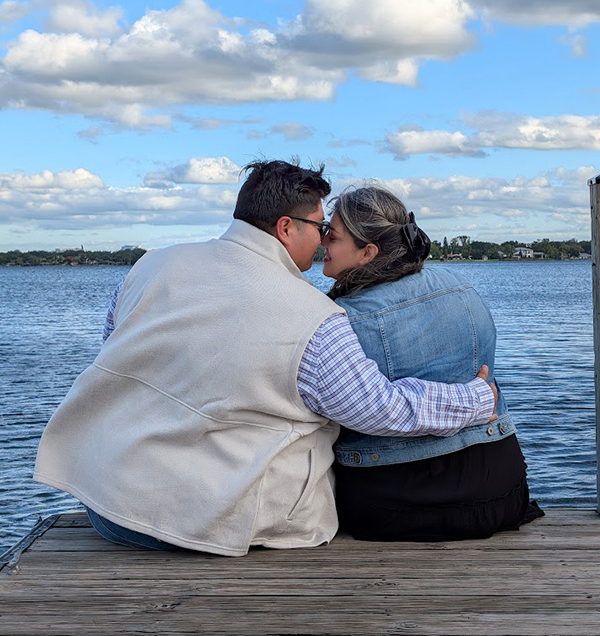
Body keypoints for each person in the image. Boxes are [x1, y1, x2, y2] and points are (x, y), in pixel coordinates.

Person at [34, 161, 496, 557]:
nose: (321, 243)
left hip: (108, 507)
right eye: (320, 228)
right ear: (285, 228)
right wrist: (475, 400)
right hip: (204, 526)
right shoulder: (315, 316)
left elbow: (115, 343)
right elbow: (380, 410)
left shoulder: (151, 265)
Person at [322, 185, 543, 541]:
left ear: (368, 252)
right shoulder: (461, 286)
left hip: (398, 502)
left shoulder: (343, 319)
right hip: (502, 491)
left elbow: (373, 409)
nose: (323, 245)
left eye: (331, 236)